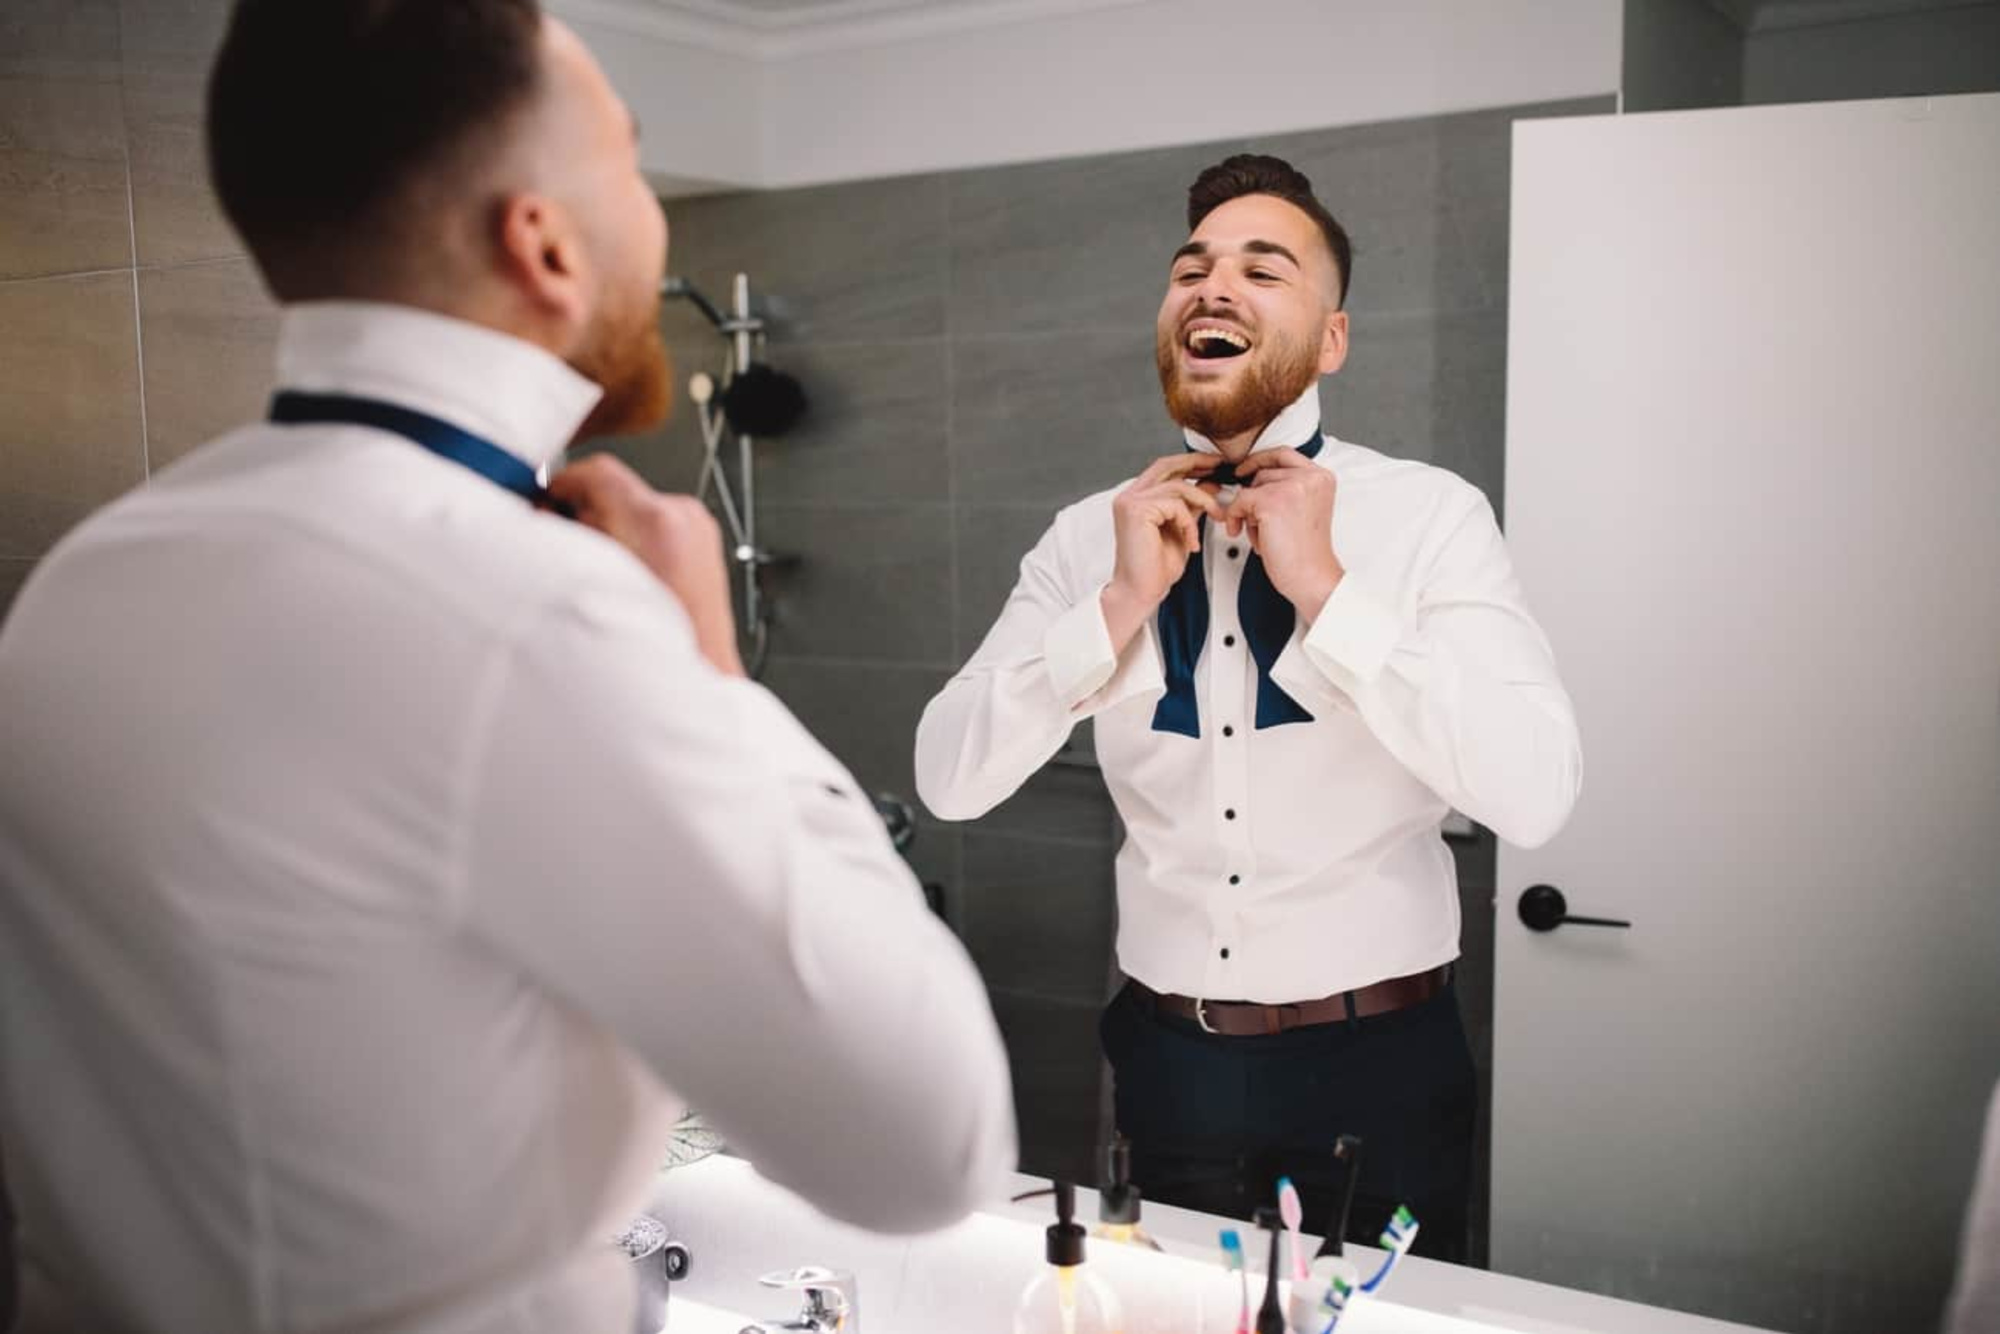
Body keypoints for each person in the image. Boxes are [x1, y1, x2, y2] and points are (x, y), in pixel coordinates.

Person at [0, 3, 1015, 1331]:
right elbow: (928, 1147)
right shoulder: (536, 615)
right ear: (541, 241)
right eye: (632, 167)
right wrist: (716, 675)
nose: (656, 230)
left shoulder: (84, 580)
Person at [915, 153, 1580, 1261]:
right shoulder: (1089, 536)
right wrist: (1120, 602)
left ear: (1329, 339)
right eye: (1190, 268)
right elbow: (948, 775)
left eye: (1261, 268)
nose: (1211, 286)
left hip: (1382, 1064)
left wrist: (1326, 588)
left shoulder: (1428, 519)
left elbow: (1535, 792)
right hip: (1167, 1065)